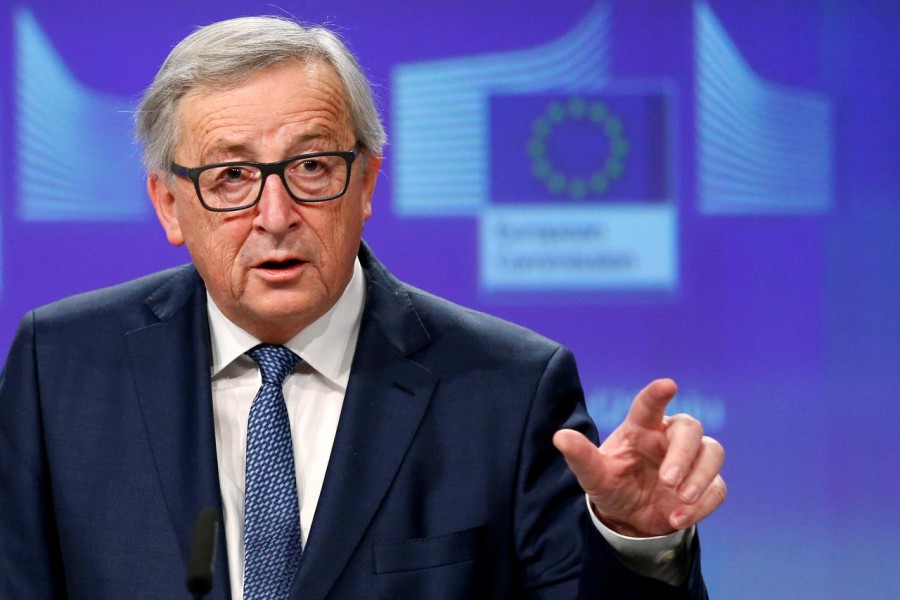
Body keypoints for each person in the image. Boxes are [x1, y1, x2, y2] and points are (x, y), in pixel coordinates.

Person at [0, 15, 725, 600]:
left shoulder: (508, 388)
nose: (275, 214)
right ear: (169, 203)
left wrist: (637, 546)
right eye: (231, 177)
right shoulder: (60, 364)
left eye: (312, 167)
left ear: (367, 182)